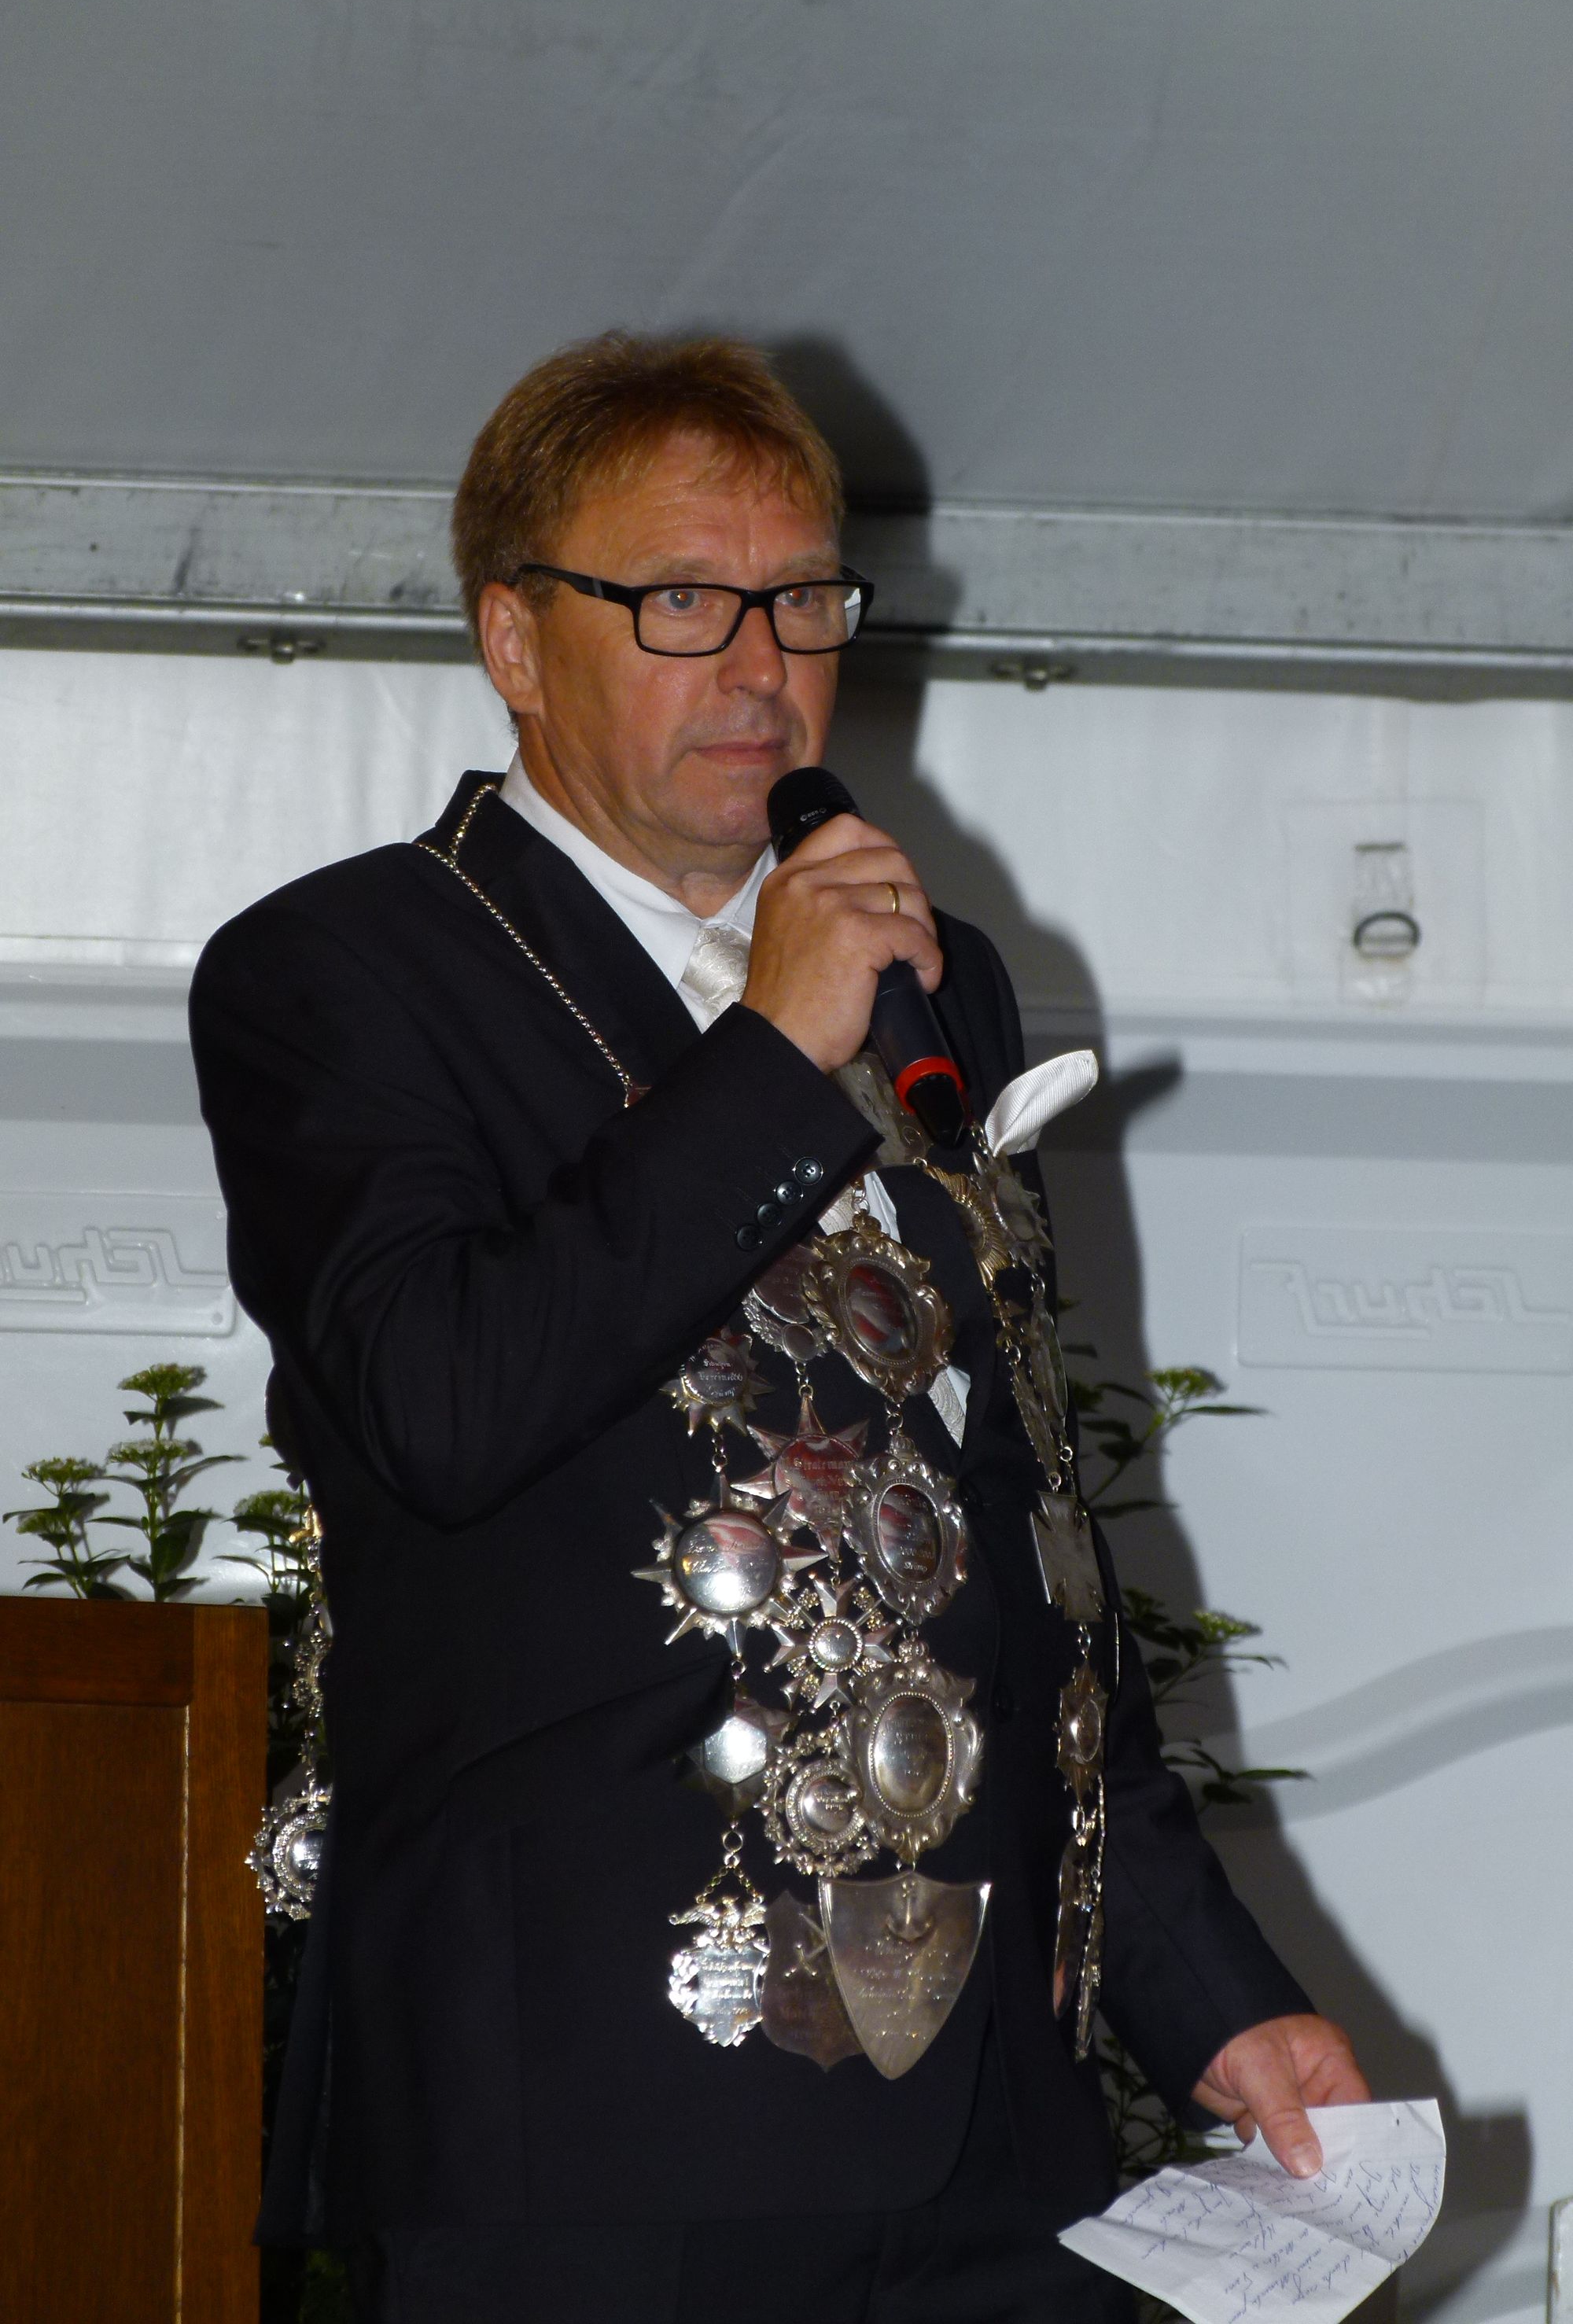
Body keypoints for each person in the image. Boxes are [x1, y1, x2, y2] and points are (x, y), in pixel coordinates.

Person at [190, 333, 1367, 2324]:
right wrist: (766, 1052)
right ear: (513, 637)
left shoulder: (931, 975)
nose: (761, 668)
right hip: (586, 2118)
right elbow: (438, 1406)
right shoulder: (345, 968)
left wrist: (1210, 1999)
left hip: (984, 2105)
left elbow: (1011, 1543)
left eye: (805, 599)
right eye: (680, 602)